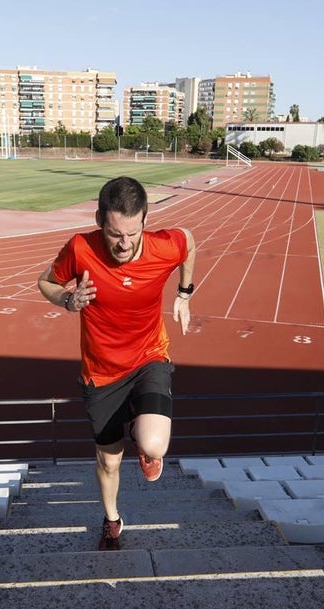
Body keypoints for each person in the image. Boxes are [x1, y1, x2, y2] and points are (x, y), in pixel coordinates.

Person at [37, 176, 196, 550]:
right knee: (109, 462)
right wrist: (67, 300)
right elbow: (45, 282)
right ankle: (112, 518)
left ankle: (144, 442)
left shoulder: (162, 246)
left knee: (154, 444)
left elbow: (189, 242)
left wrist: (185, 293)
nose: (124, 245)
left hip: (148, 357)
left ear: (144, 220)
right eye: (114, 234)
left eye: (132, 233)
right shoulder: (80, 249)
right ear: (98, 220)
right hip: (101, 374)